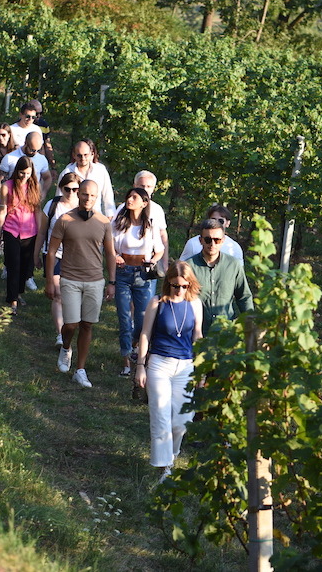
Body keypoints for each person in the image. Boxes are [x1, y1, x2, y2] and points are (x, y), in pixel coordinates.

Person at [134, 261, 203, 481]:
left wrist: (201, 370)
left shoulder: (195, 304)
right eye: (175, 285)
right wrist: (140, 366)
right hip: (159, 364)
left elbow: (198, 336)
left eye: (184, 286)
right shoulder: (157, 302)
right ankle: (164, 468)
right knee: (161, 416)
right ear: (168, 283)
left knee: (183, 419)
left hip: (186, 365)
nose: (179, 290)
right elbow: (145, 334)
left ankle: (171, 454)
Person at [44, 180, 117, 388]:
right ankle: (66, 347)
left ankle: (80, 370)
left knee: (87, 324)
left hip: (95, 280)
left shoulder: (103, 222)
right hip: (69, 278)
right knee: (71, 324)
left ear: (97, 197)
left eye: (92, 195)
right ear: (79, 194)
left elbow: (110, 253)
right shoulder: (65, 220)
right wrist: (49, 281)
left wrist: (112, 282)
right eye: (85, 194)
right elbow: (51, 252)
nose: (88, 198)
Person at [112, 187, 165, 376]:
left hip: (143, 274)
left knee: (143, 320)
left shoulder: (150, 225)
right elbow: (108, 243)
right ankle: (126, 362)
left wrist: (153, 261)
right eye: (129, 196)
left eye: (135, 197)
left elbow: (159, 249)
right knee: (125, 319)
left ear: (144, 203)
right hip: (123, 272)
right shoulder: (119, 222)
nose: (130, 199)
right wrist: (115, 256)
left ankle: (135, 346)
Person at [35, 171, 82, 347]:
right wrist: (36, 254)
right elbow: (42, 231)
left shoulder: (84, 208)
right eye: (67, 189)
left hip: (76, 257)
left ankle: (70, 325)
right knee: (58, 295)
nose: (71, 193)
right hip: (54, 255)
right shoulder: (52, 205)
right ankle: (61, 334)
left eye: (75, 189)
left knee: (73, 296)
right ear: (61, 188)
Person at [185, 218, 253, 335]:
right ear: (200, 240)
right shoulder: (188, 266)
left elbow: (244, 297)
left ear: (223, 241)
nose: (212, 244)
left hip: (225, 333)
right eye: (208, 240)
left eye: (217, 240)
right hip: (195, 332)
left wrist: (250, 325)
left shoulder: (233, 265)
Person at [0, 156, 41, 314]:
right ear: (16, 171)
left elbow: (37, 211)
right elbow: (2, 211)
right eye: (22, 173)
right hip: (11, 229)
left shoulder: (34, 187)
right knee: (13, 265)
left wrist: (40, 234)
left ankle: (18, 293)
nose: (24, 176)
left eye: (28, 173)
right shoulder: (7, 186)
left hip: (30, 231)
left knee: (25, 267)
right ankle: (12, 299)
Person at [114, 170, 170, 271]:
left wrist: (164, 264)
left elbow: (162, 236)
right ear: (134, 186)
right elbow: (111, 236)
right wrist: (116, 255)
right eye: (142, 186)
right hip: (123, 265)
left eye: (149, 186)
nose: (145, 189)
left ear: (153, 189)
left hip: (146, 265)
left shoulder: (157, 210)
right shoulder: (123, 208)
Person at [55, 139, 115, 217]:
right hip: (73, 217)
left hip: (96, 216)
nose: (83, 158)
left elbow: (108, 196)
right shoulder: (66, 173)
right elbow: (60, 199)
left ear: (91, 154)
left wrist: (110, 216)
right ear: (74, 155)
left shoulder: (100, 171)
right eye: (79, 155)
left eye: (85, 155)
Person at [0, 131, 52, 203]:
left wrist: (44, 192)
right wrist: (1, 198)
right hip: (12, 198)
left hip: (32, 200)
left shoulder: (42, 159)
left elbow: (47, 178)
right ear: (25, 143)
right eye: (32, 150)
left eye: (38, 150)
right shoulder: (10, 158)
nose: (35, 153)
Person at [179, 204, 244, 262]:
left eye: (221, 220)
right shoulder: (193, 244)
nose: (217, 223)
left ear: (228, 223)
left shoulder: (234, 248)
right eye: (213, 219)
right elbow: (181, 267)